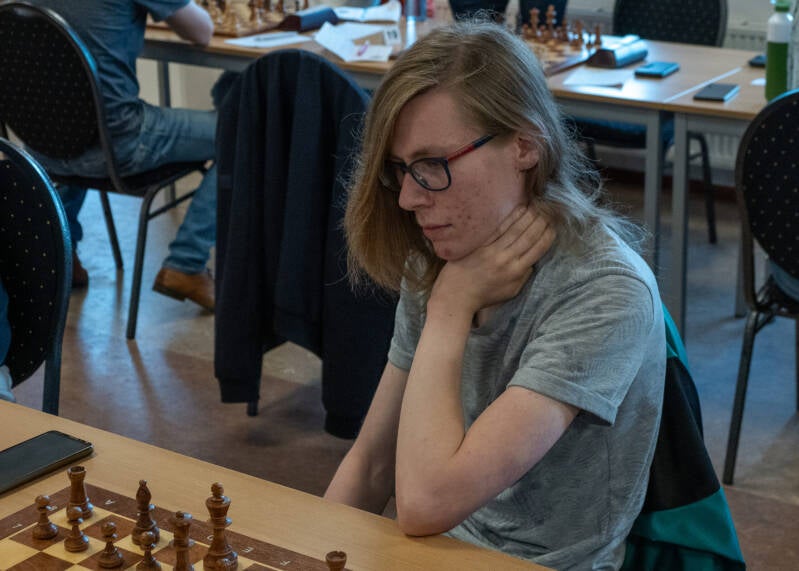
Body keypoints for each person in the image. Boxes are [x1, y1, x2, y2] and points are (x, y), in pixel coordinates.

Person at [324, 20, 666, 570]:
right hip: (434, 549)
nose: (408, 198)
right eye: (400, 170)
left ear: (525, 145)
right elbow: (371, 465)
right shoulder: (445, 251)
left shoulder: (604, 290)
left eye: (433, 165)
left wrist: (449, 310)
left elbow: (425, 503)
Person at [29, 0, 221, 311]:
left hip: (42, 149)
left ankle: (60, 253)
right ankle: (187, 264)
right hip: (117, 146)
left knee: (75, 110)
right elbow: (202, 31)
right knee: (239, 129)